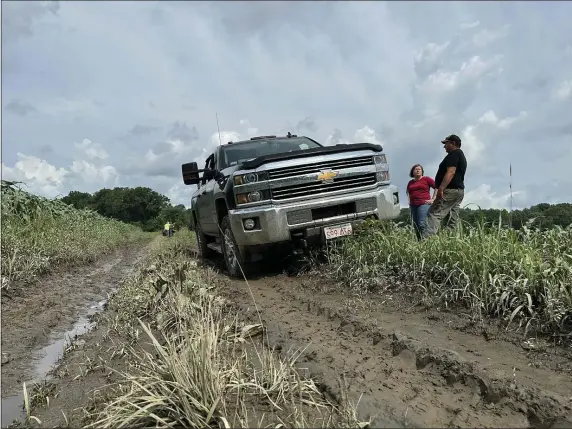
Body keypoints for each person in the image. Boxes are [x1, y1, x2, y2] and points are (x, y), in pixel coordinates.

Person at [423, 134, 467, 238]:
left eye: (446, 143)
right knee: (451, 217)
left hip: (449, 190)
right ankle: (449, 241)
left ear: (453, 143)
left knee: (433, 214)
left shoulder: (454, 155)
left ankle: (427, 242)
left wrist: (441, 188)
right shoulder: (461, 155)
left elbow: (451, 172)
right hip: (459, 191)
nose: (444, 146)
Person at [406, 164, 436, 240]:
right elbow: (408, 192)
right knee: (416, 225)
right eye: (416, 169)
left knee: (422, 223)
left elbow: (437, 187)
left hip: (424, 204)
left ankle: (426, 242)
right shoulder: (410, 182)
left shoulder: (426, 179)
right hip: (413, 205)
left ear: (422, 171)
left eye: (419, 169)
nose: (418, 170)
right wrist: (409, 201)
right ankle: (419, 242)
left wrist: (433, 199)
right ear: (413, 172)